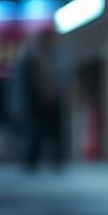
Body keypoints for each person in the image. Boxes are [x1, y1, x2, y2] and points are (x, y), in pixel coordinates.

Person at [12, 26, 64, 170]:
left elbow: (59, 79)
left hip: (54, 100)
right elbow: (25, 84)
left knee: (55, 133)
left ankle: (57, 160)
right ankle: (31, 161)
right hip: (38, 101)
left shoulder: (55, 56)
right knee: (37, 132)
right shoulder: (32, 59)